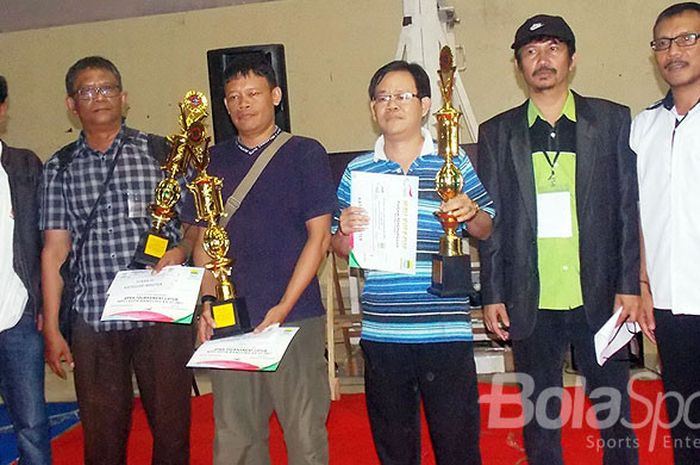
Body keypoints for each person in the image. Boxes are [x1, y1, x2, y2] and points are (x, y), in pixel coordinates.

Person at [477, 15, 640, 465]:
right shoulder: (497, 133)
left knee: (615, 413)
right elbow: (491, 220)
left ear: (572, 59)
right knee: (539, 417)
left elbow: (627, 208)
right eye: (530, 52)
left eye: (552, 48)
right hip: (532, 297)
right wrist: (493, 294)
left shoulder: (609, 121)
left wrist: (629, 285)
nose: (542, 59)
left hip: (602, 295)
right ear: (519, 66)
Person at [332, 60, 494, 465]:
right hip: (383, 333)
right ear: (372, 109)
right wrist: (344, 231)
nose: (392, 105)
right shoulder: (357, 171)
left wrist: (470, 210)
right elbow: (337, 246)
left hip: (445, 330)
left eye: (402, 96)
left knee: (457, 445)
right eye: (383, 97)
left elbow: (487, 228)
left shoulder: (452, 165)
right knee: (394, 448)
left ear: (424, 105)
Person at [39, 56, 195, 465]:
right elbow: (55, 250)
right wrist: (53, 328)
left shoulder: (162, 153)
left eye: (107, 88)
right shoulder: (60, 167)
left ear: (124, 98)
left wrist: (179, 251)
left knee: (173, 432)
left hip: (160, 316)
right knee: (102, 439)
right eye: (87, 91)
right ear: (72, 105)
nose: (99, 97)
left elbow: (198, 224)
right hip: (94, 319)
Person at [188, 54, 335, 465]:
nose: (242, 104)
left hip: (293, 317)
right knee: (236, 437)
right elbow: (204, 241)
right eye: (233, 97)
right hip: (230, 318)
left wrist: (284, 306)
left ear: (275, 95)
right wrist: (206, 303)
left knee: (304, 433)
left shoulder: (304, 153)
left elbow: (319, 237)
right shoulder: (212, 161)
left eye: (252, 93)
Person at [631, 3, 700, 464]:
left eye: (687, 39)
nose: (673, 52)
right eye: (663, 43)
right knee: (687, 425)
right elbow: (639, 212)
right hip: (672, 305)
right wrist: (643, 284)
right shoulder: (644, 126)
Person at [0, 75, 52, 465]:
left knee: (32, 424)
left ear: (2, 111)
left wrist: (45, 308)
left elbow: (48, 243)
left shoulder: (24, 166)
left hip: (18, 315)